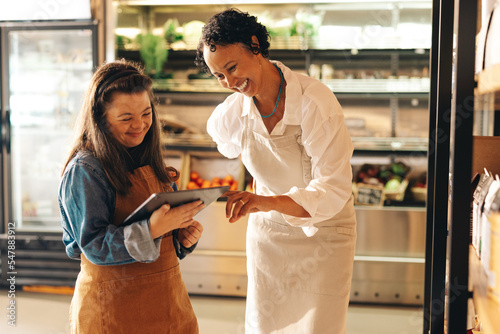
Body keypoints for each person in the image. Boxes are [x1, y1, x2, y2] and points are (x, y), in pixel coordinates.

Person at [195, 8, 357, 334]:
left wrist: (263, 201)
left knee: (318, 327)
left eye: (232, 67)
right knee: (265, 325)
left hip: (324, 238)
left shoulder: (314, 102)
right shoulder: (234, 113)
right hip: (269, 238)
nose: (229, 83)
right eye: (219, 76)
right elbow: (225, 143)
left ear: (255, 46)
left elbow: (334, 188)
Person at [58, 59, 203, 333]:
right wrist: (152, 229)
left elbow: (163, 237)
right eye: (126, 118)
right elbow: (94, 244)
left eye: (146, 113)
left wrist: (180, 237)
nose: (140, 125)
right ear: (100, 118)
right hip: (112, 313)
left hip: (168, 304)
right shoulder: (85, 170)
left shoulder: (149, 157)